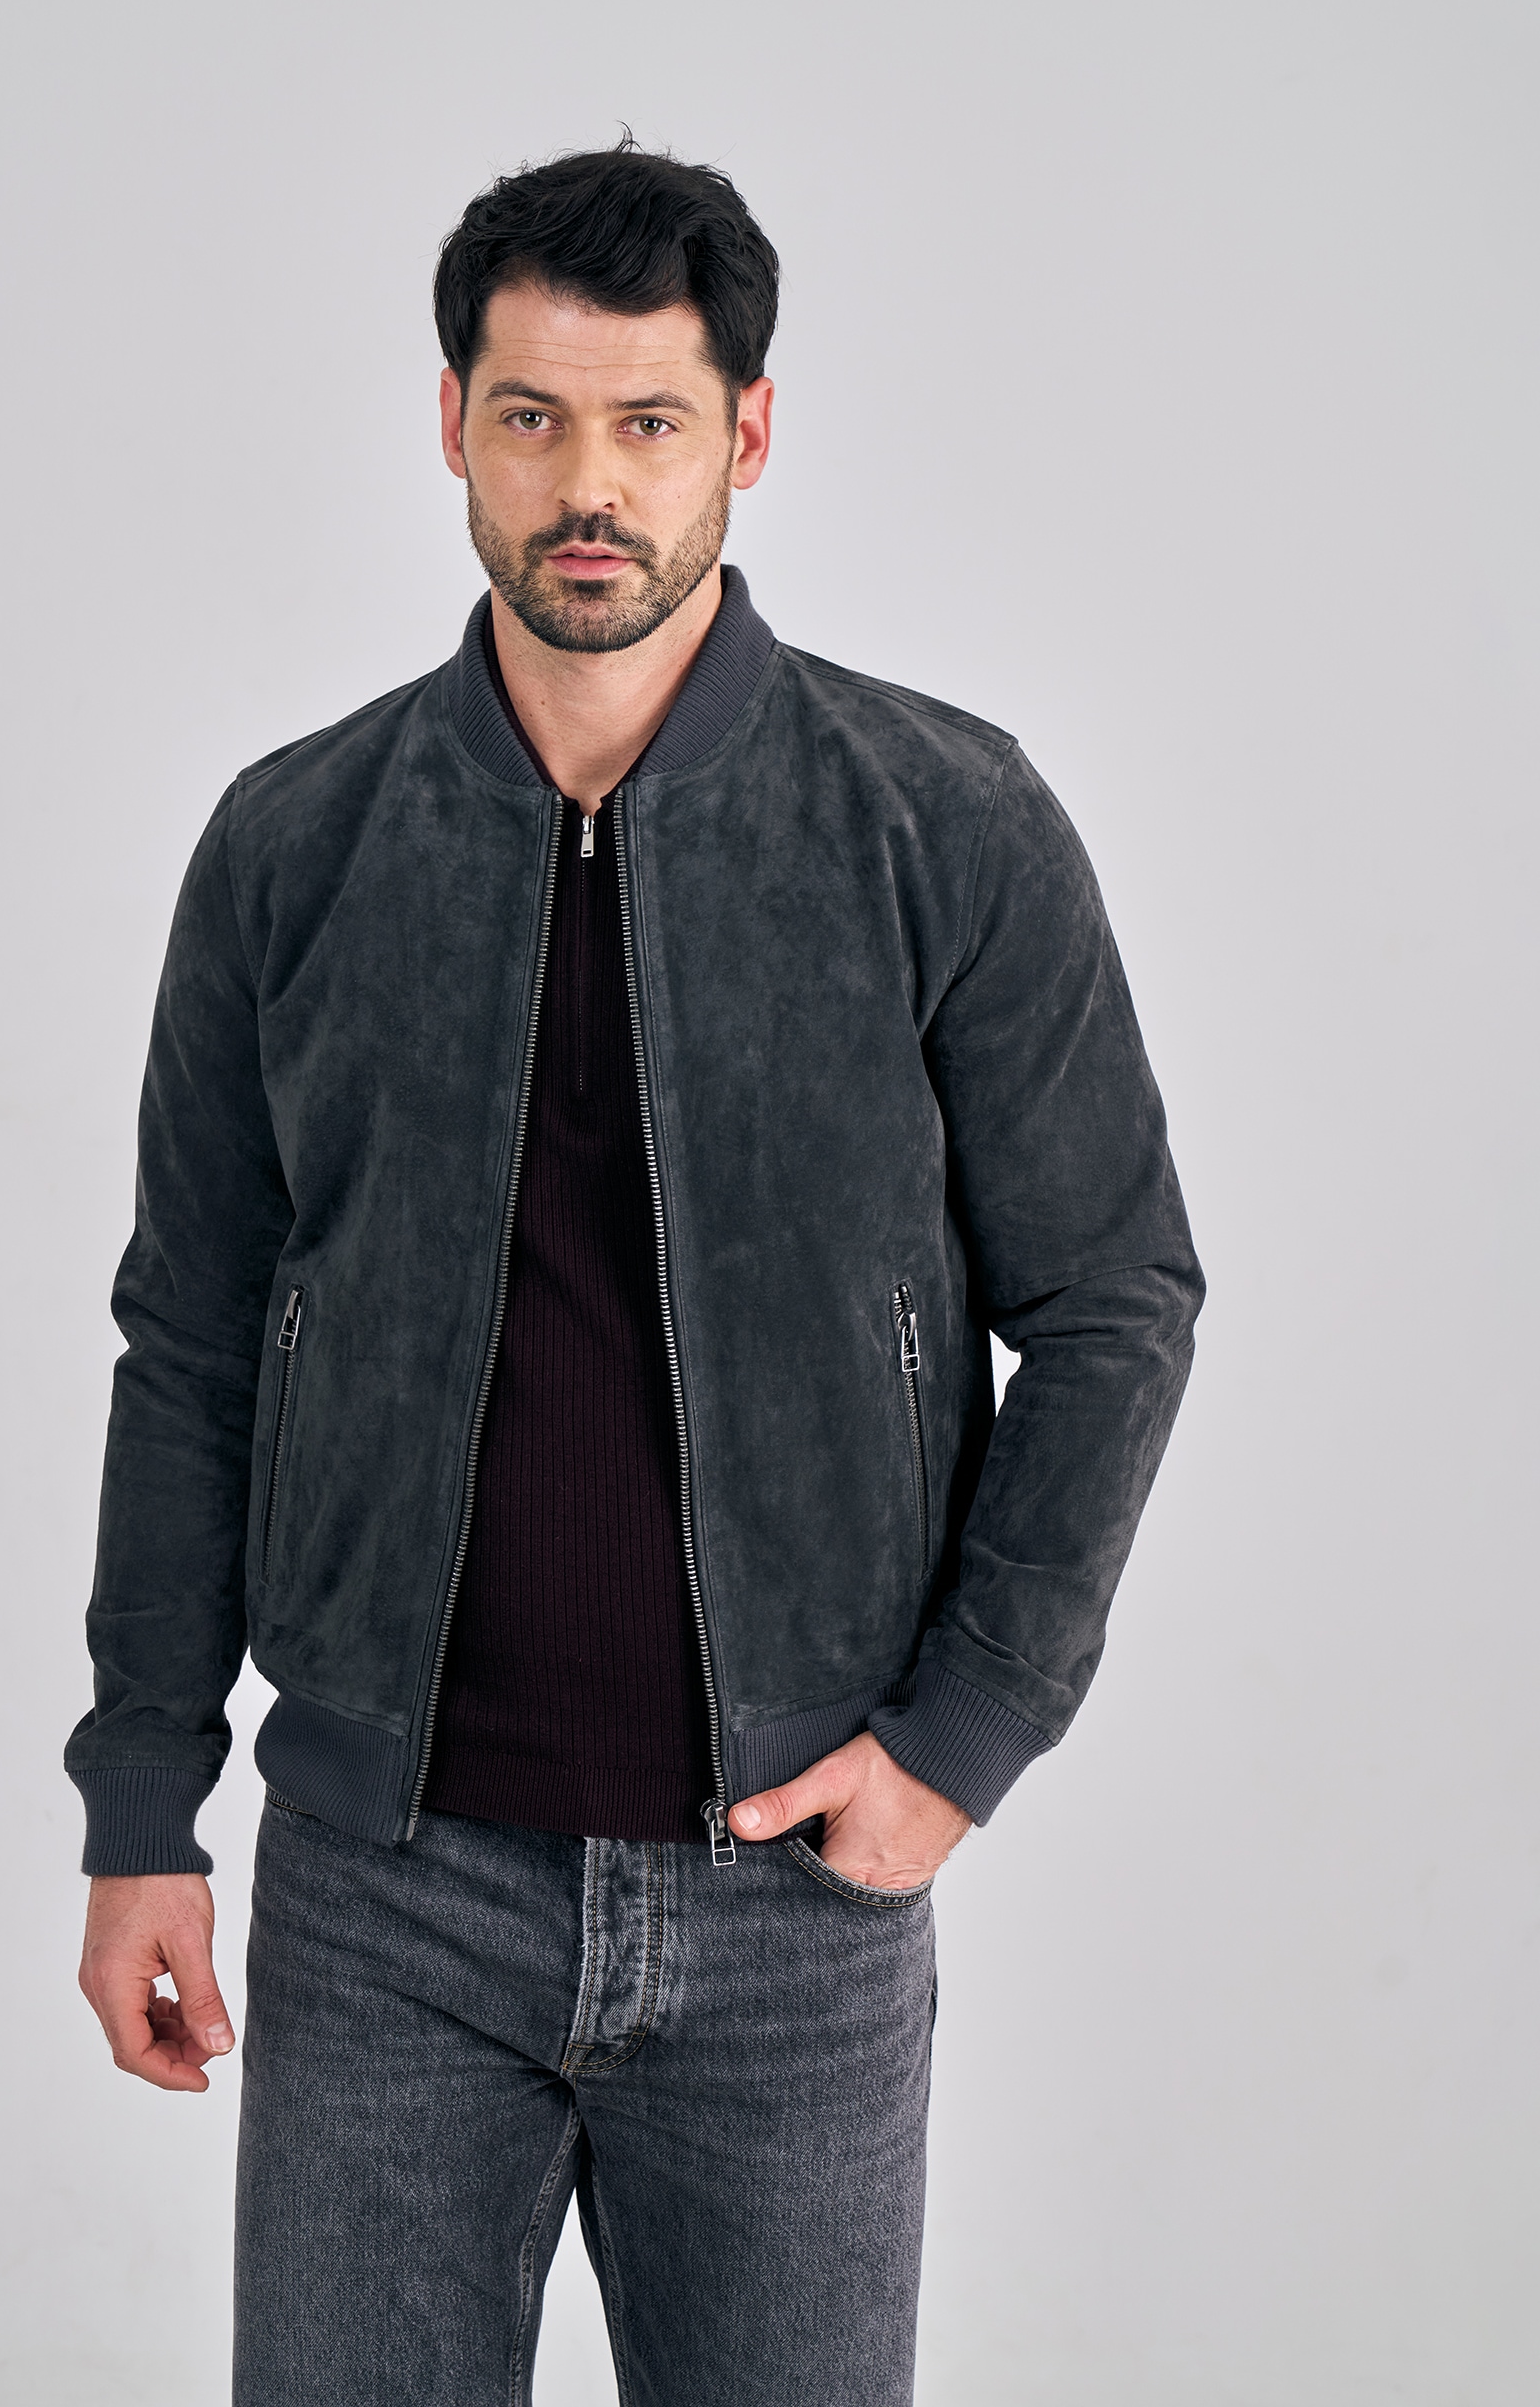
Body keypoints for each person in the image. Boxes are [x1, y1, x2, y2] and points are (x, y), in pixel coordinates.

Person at [69, 139, 1203, 2406]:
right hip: (386, 1892)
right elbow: (190, 1339)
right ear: (453, 425)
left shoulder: (944, 823)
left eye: (649, 421)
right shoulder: (296, 845)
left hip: (795, 1902)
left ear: (746, 435)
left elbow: (1113, 1302)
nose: (589, 485)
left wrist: (963, 1735)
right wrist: (141, 1807)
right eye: (533, 417)